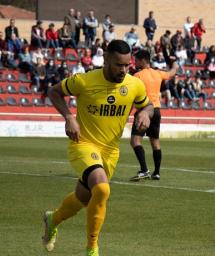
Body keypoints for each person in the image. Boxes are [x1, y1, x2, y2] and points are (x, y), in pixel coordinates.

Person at [42, 40, 154, 256]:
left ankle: (52, 219)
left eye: (127, 65)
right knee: (102, 188)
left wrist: (144, 113)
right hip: (83, 144)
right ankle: (92, 249)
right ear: (106, 60)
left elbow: (147, 105)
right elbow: (54, 91)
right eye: (118, 65)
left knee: (83, 199)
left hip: (110, 152)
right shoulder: (84, 81)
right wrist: (69, 117)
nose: (123, 70)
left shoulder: (134, 85)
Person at [130, 49, 178, 181]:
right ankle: (156, 172)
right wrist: (174, 63)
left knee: (135, 141)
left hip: (144, 111)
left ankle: (144, 169)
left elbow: (132, 96)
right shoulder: (158, 73)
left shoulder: (137, 76)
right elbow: (172, 73)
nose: (135, 63)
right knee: (155, 143)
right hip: (156, 110)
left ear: (143, 60)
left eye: (136, 60)